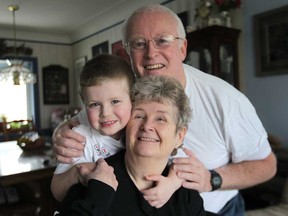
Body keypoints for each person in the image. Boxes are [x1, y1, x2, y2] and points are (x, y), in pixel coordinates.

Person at [52, 4, 277, 215]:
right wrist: (62, 129)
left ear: (183, 48)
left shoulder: (226, 100)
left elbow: (267, 166)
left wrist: (211, 179)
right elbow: (95, 117)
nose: (151, 53)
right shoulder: (122, 94)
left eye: (163, 40)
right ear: (128, 54)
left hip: (217, 208)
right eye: (139, 43)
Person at [57, 75, 211, 216]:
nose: (147, 126)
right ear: (126, 125)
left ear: (180, 136)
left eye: (161, 119)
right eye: (139, 116)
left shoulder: (186, 196)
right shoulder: (94, 182)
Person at [51, 54, 135, 201]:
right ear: (84, 102)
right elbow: (57, 191)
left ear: (133, 98)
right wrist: (79, 172)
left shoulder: (142, 129)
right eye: (95, 104)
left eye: (115, 101)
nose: (106, 113)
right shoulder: (80, 138)